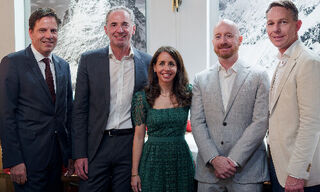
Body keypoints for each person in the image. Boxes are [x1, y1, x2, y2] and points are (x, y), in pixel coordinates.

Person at [72, 6, 152, 191]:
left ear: (133, 28)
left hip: (129, 146)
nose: (119, 30)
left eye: (125, 24)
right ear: (106, 29)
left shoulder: (147, 62)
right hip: (96, 146)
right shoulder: (89, 60)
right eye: (114, 25)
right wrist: (79, 153)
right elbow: (79, 111)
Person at [190, 19, 270, 192]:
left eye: (229, 36)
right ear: (213, 42)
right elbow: (197, 122)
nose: (223, 41)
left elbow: (260, 122)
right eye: (218, 36)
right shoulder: (200, 79)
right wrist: (214, 159)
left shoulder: (259, 75)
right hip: (209, 172)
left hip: (247, 171)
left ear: (239, 40)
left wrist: (232, 161)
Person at [0, 8, 73, 192]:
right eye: (43, 30)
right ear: (31, 32)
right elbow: (5, 116)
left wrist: (70, 155)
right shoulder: (12, 63)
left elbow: (68, 114)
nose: (49, 35)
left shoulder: (63, 66)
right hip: (27, 161)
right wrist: (14, 161)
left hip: (57, 161)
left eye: (53, 31)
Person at [266, 1, 320, 191]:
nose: (276, 29)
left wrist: (297, 173)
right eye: (271, 23)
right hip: (279, 166)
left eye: (283, 22)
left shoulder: (308, 62)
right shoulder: (283, 60)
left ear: (297, 25)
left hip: (299, 175)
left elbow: (311, 123)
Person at [130, 46, 194, 192]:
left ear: (178, 68)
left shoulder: (188, 93)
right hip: (152, 161)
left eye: (171, 64)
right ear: (154, 67)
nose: (167, 68)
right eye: (162, 63)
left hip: (181, 160)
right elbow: (139, 137)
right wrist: (134, 173)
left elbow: (200, 124)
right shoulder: (142, 97)